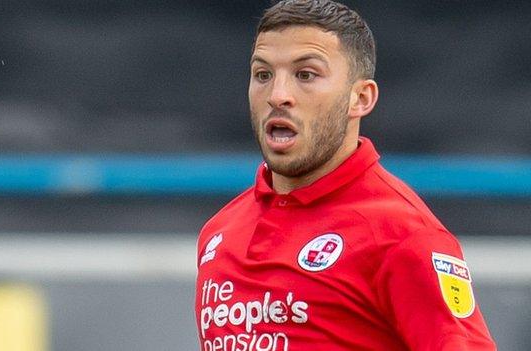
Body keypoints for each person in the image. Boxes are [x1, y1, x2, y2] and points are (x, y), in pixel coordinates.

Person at [194, 0, 497, 350]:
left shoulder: (403, 236)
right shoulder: (220, 232)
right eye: (263, 74)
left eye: (305, 75)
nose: (278, 95)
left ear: (361, 98)